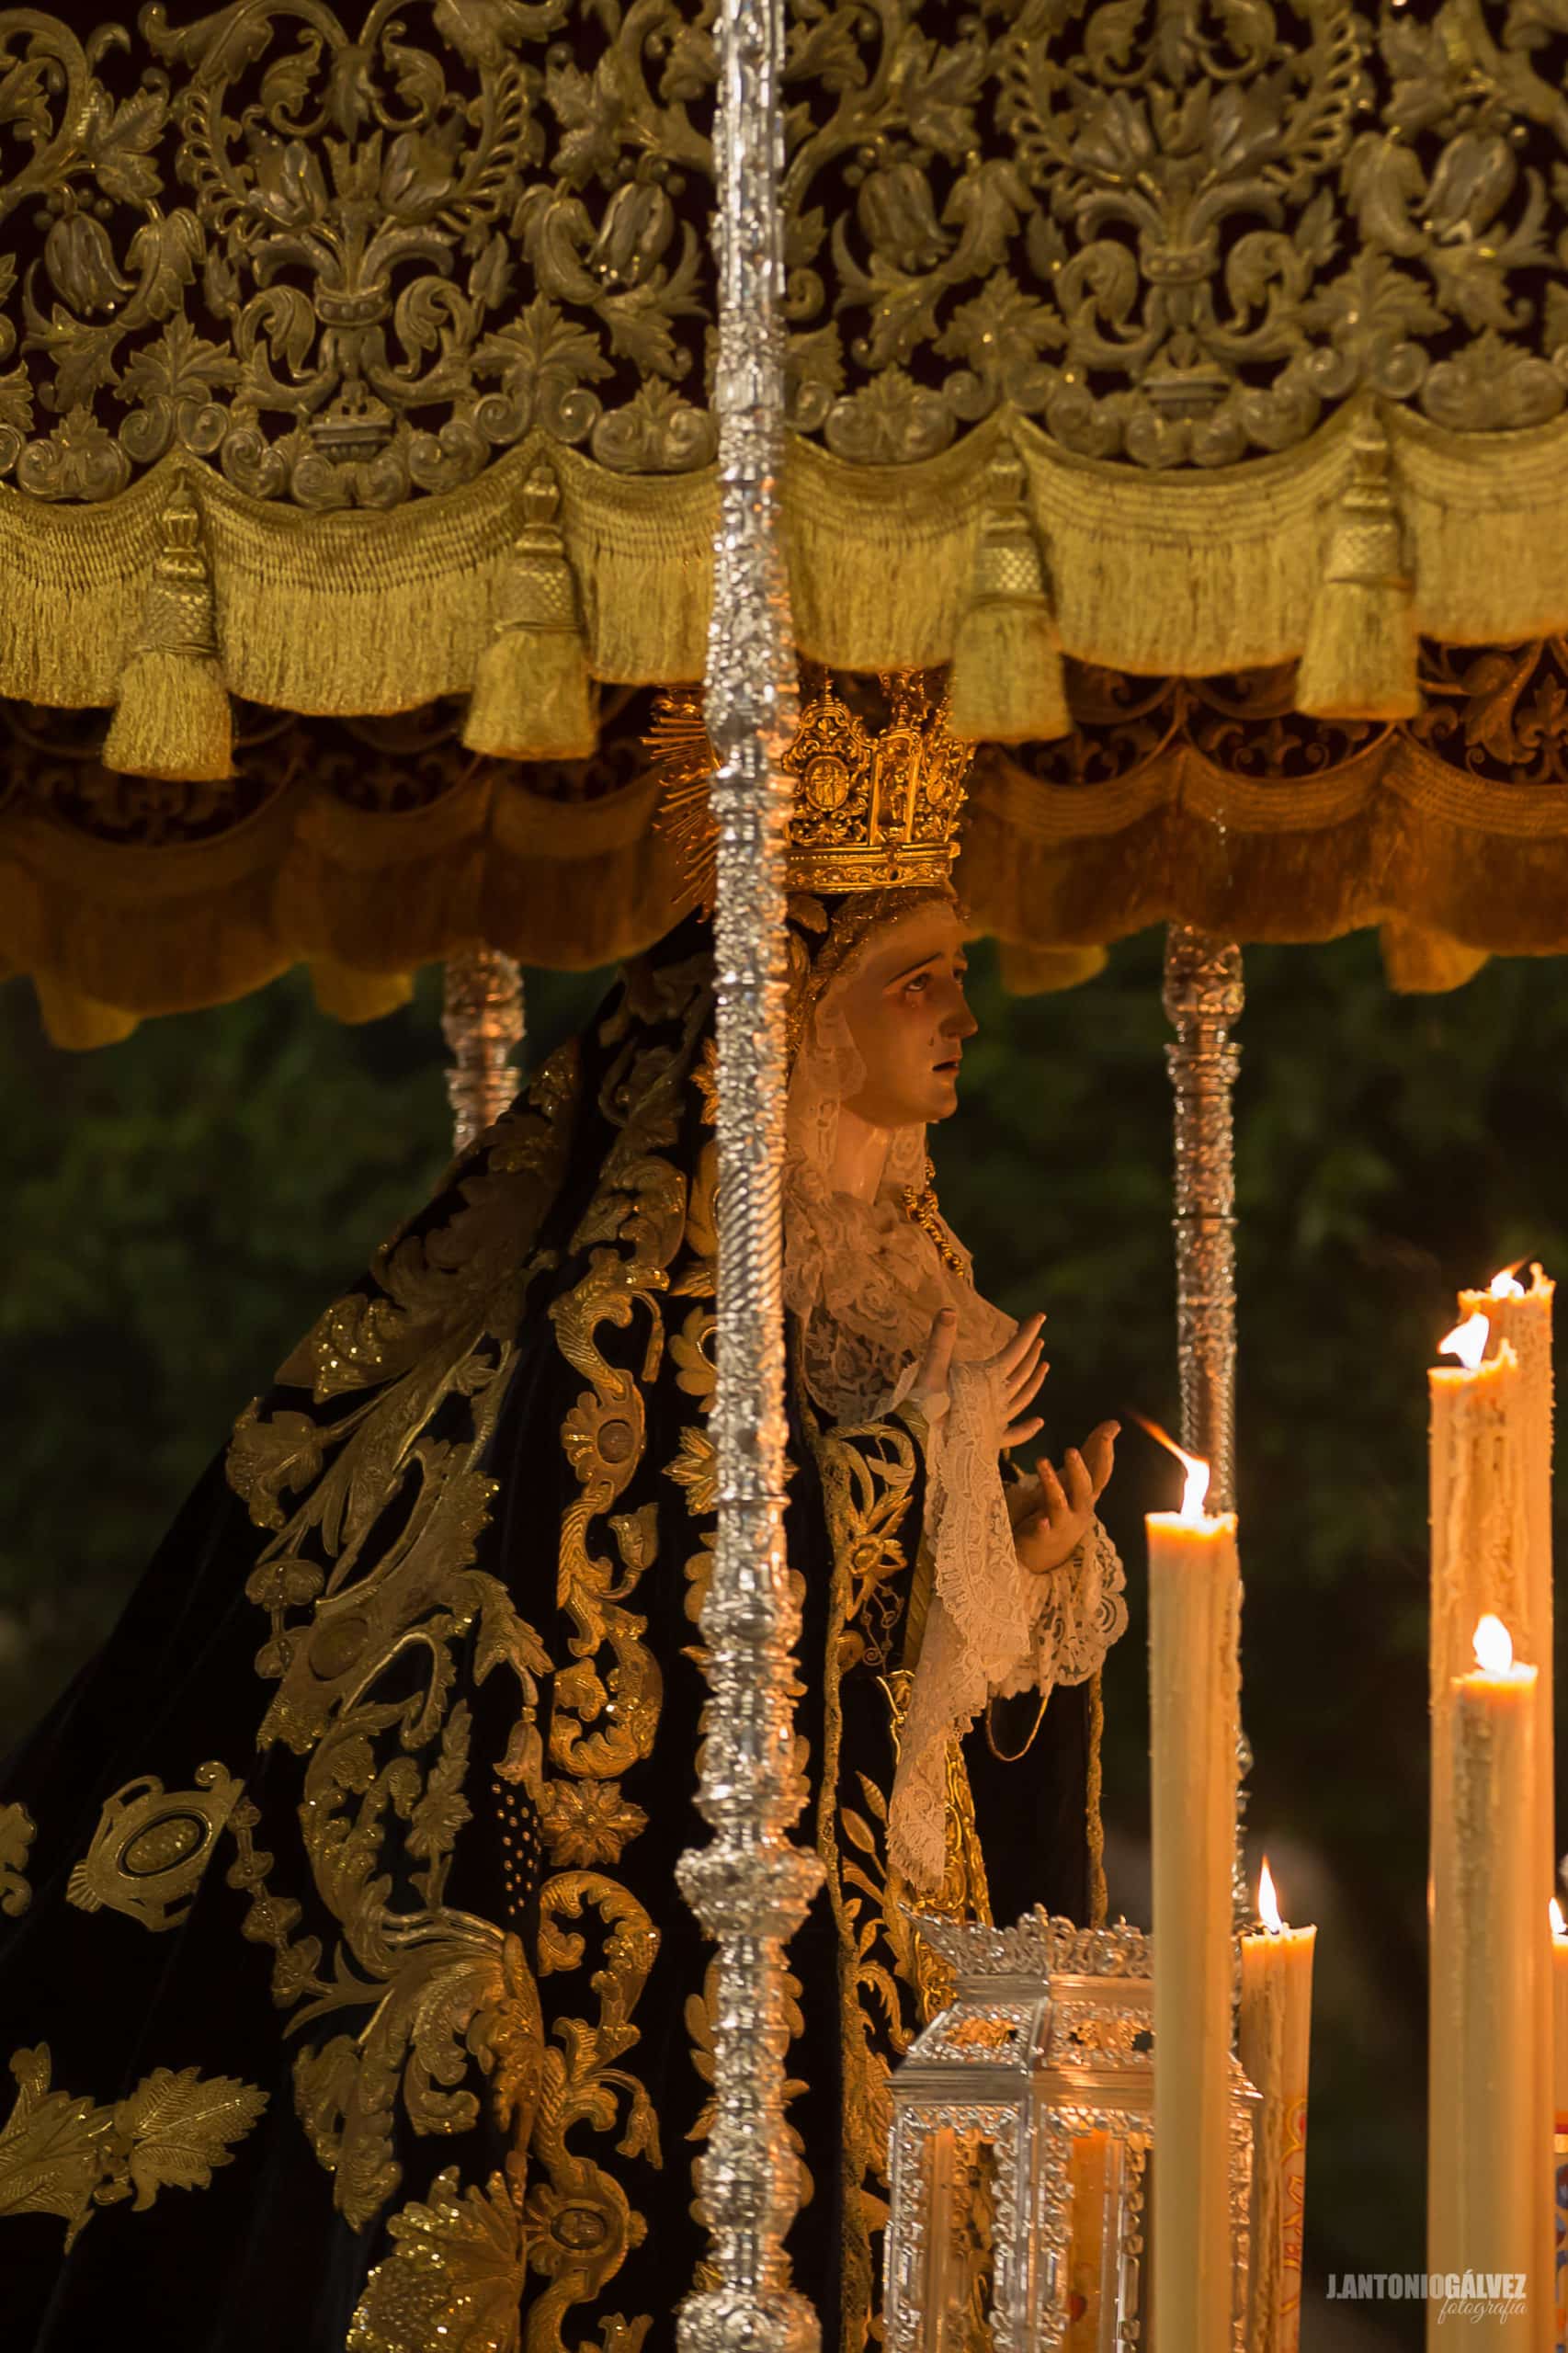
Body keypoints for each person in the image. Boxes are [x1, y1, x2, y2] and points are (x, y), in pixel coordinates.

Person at [0, 692, 1125, 2353]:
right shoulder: (624, 1326)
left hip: (873, 1977)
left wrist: (1013, 1568)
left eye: (957, 974)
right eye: (917, 979)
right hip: (677, 1998)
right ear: (801, 1023)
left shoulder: (903, 1292)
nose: (964, 1015)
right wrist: (915, 1473)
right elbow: (638, 1605)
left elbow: (899, 1701)